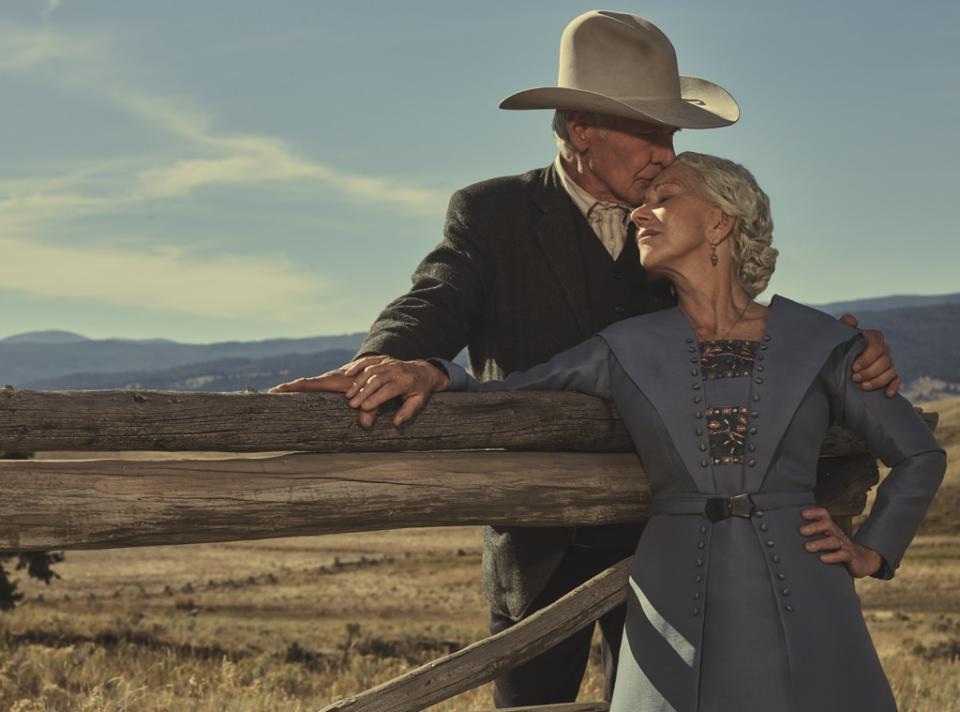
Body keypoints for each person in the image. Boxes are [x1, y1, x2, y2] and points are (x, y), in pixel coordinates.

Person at [270, 11, 902, 706]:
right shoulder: (495, 213)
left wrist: (845, 344)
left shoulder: (677, 218)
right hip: (539, 541)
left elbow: (740, 317)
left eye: (672, 133)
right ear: (581, 130)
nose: (667, 152)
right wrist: (391, 359)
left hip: (678, 546)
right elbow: (436, 297)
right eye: (650, 131)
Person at [315, 152, 947, 711]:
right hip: (673, 585)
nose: (642, 213)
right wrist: (427, 369)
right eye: (643, 203)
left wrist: (873, 550)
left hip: (805, 582)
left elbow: (918, 455)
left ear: (722, 221)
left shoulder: (824, 342)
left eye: (665, 199)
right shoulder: (621, 348)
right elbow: (502, 392)